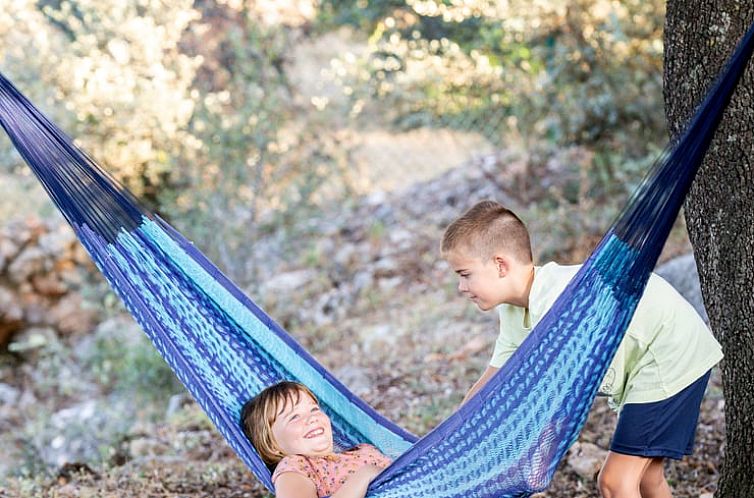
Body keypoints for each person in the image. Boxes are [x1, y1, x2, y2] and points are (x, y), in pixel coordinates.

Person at [441, 200, 723, 498]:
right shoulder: (513, 313)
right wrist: (445, 440)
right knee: (646, 480)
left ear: (500, 265)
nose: (461, 287)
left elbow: (556, 399)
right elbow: (491, 384)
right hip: (649, 362)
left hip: (667, 355)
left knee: (615, 483)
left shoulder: (561, 301)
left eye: (465, 274)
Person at [241, 381, 391, 498]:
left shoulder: (363, 449)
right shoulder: (297, 466)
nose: (312, 418)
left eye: (314, 409)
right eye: (294, 417)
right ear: (271, 444)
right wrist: (364, 475)